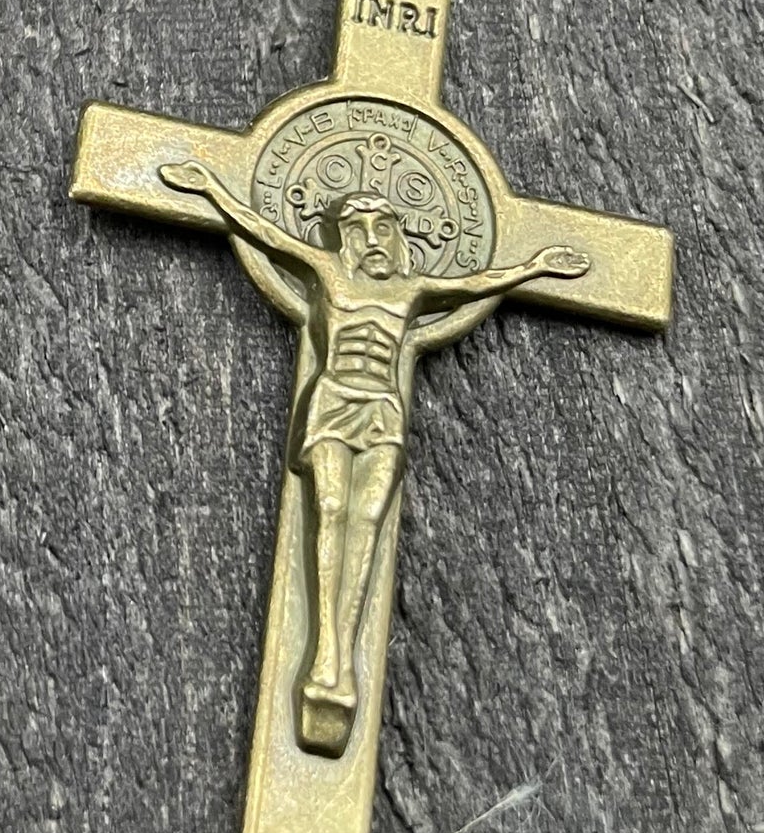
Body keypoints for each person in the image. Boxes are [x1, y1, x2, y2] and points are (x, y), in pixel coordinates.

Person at [158, 165, 588, 754]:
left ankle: (342, 654)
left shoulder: (410, 290)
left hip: (383, 410)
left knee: (368, 521)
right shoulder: (329, 272)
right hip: (334, 401)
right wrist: (210, 189)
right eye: (358, 227)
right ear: (343, 236)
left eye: (381, 225)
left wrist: (536, 267)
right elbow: (265, 231)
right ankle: (326, 655)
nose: (371, 238)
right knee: (330, 506)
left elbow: (480, 280)